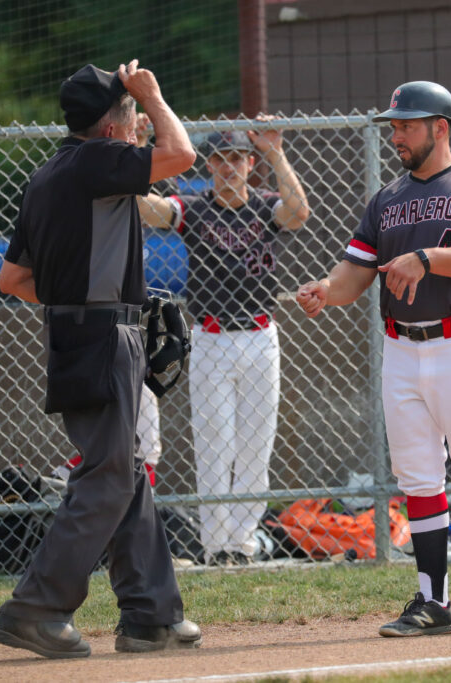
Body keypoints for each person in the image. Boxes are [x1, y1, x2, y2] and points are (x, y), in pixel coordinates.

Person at [0, 61, 200, 659]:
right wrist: (154, 97)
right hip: (106, 335)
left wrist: (78, 302)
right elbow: (182, 155)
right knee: (108, 477)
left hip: (77, 330)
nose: (137, 125)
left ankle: (150, 615)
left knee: (122, 472)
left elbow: (14, 279)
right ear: (112, 126)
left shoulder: (49, 172)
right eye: (130, 115)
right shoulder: (94, 160)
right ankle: (36, 608)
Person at [296, 81, 451, 636]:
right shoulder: (386, 199)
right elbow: (355, 276)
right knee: (417, 478)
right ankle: (433, 602)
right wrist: (327, 289)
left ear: (439, 128)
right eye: (393, 125)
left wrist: (427, 258)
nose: (395, 134)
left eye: (406, 125)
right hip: (400, 347)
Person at [138, 121, 310, 566]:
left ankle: (244, 543)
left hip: (259, 335)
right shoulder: (194, 208)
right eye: (220, 159)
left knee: (256, 443)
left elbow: (298, 212)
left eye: (237, 159)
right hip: (212, 337)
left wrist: (275, 153)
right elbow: (144, 207)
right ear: (209, 165)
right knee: (214, 443)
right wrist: (137, 151)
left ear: (249, 164)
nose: (228, 167)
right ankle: (217, 547)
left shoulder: (265, 207)